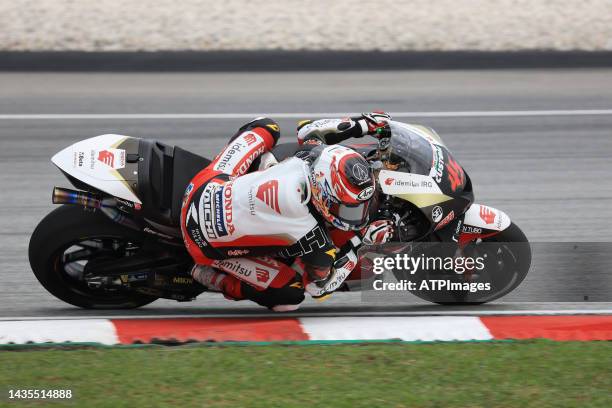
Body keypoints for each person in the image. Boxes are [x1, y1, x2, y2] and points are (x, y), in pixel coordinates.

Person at [180, 113, 394, 311]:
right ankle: (207, 275)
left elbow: (308, 129)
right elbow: (319, 288)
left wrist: (364, 124)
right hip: (203, 243)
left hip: (203, 186)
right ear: (323, 195)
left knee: (266, 126)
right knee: (289, 297)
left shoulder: (309, 156)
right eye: (348, 208)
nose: (356, 214)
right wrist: (361, 242)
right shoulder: (313, 237)